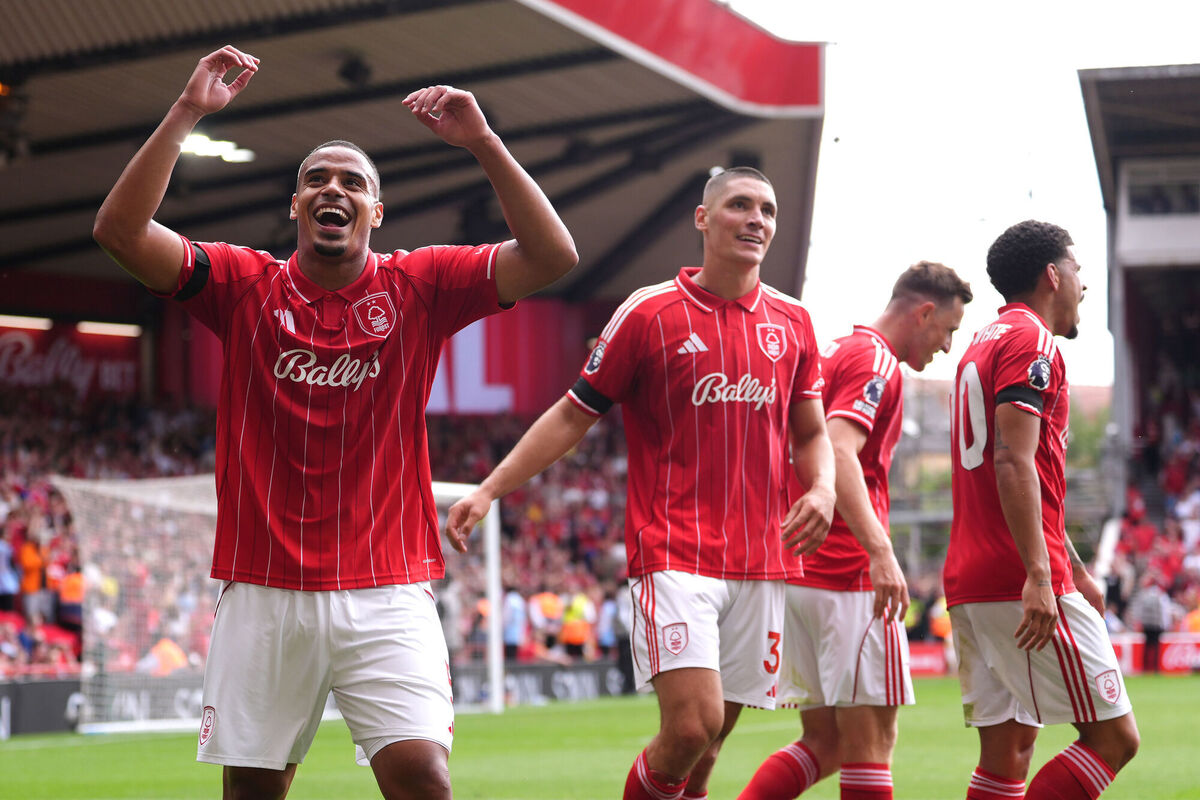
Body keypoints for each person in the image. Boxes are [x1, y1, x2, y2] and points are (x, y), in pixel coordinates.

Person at [92, 46, 577, 800]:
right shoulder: (242, 284)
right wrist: (187, 111)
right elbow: (120, 235)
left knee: (423, 778)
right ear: (295, 206)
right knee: (253, 793)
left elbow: (552, 255)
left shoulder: (423, 285)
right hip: (264, 589)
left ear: (376, 212)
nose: (333, 189)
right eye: (316, 179)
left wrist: (484, 142)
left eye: (353, 182)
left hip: (388, 588)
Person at [446, 166, 836, 800]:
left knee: (707, 754)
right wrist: (490, 488)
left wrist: (820, 489)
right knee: (691, 728)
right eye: (740, 205)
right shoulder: (650, 312)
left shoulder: (793, 324)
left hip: (763, 562)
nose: (757, 219)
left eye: (767, 208)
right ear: (704, 219)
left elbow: (812, 434)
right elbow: (575, 410)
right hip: (676, 553)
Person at [740, 261, 972, 800]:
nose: (946, 346)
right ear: (924, 312)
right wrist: (880, 550)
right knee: (872, 741)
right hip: (847, 574)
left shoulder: (836, 351)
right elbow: (841, 451)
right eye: (949, 330)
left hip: (801, 569)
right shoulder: (877, 362)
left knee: (824, 742)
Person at [944, 220, 1138, 799]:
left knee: (1007, 756)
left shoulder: (983, 342)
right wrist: (1040, 574)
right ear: (1053, 276)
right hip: (1018, 577)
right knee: (1115, 740)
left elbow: (1029, 475)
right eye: (1077, 271)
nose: (1083, 286)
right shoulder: (1032, 341)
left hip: (972, 576)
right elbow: (1011, 461)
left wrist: (1076, 568)